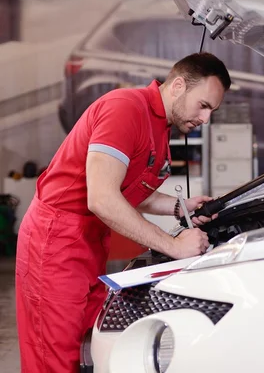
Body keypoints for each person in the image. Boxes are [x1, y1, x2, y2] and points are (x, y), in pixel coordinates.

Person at [15, 52, 231, 373]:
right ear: (178, 86)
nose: (206, 118)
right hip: (55, 241)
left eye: (212, 110)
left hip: (89, 244)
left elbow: (129, 188)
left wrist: (178, 206)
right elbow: (102, 198)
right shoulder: (125, 109)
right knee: (54, 357)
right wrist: (173, 245)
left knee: (90, 350)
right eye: (203, 105)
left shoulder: (160, 125)